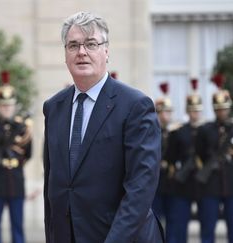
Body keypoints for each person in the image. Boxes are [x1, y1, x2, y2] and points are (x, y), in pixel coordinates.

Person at [42, 12, 163, 243]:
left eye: (91, 44)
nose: (81, 52)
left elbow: (140, 189)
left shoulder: (135, 106)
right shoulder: (53, 107)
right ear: (65, 54)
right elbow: (54, 186)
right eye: (73, 45)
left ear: (106, 51)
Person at [195, 73, 233, 243]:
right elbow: (200, 153)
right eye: (218, 108)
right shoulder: (205, 130)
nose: (221, 111)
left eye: (224, 107)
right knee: (207, 231)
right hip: (210, 184)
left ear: (229, 107)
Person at [0, 71, 32, 243]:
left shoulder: (21, 127)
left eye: (9, 105)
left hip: (15, 180)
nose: (6, 108)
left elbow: (28, 153)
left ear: (14, 106)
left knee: (17, 226)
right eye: (3, 105)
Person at [166, 78, 204, 243]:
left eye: (198, 110)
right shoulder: (178, 132)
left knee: (206, 226)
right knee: (179, 226)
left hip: (204, 184)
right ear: (188, 111)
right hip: (182, 184)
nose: (195, 113)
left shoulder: (207, 130)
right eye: (192, 110)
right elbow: (171, 156)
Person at [152, 82, 174, 226]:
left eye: (168, 112)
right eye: (163, 112)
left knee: (172, 223)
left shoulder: (175, 132)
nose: (166, 116)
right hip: (154, 183)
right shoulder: (151, 131)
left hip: (171, 183)